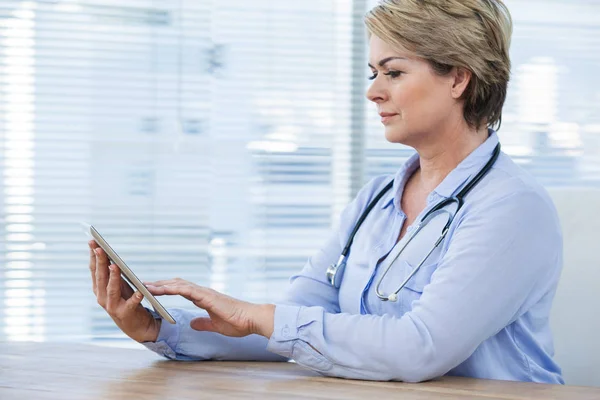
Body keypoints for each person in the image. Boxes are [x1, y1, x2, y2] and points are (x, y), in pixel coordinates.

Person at [88, 0, 564, 383]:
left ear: (459, 77)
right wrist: (165, 330)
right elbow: (298, 323)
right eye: (372, 73)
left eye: (393, 72)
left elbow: (419, 348)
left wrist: (262, 317)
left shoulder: (512, 207)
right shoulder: (377, 199)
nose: (373, 92)